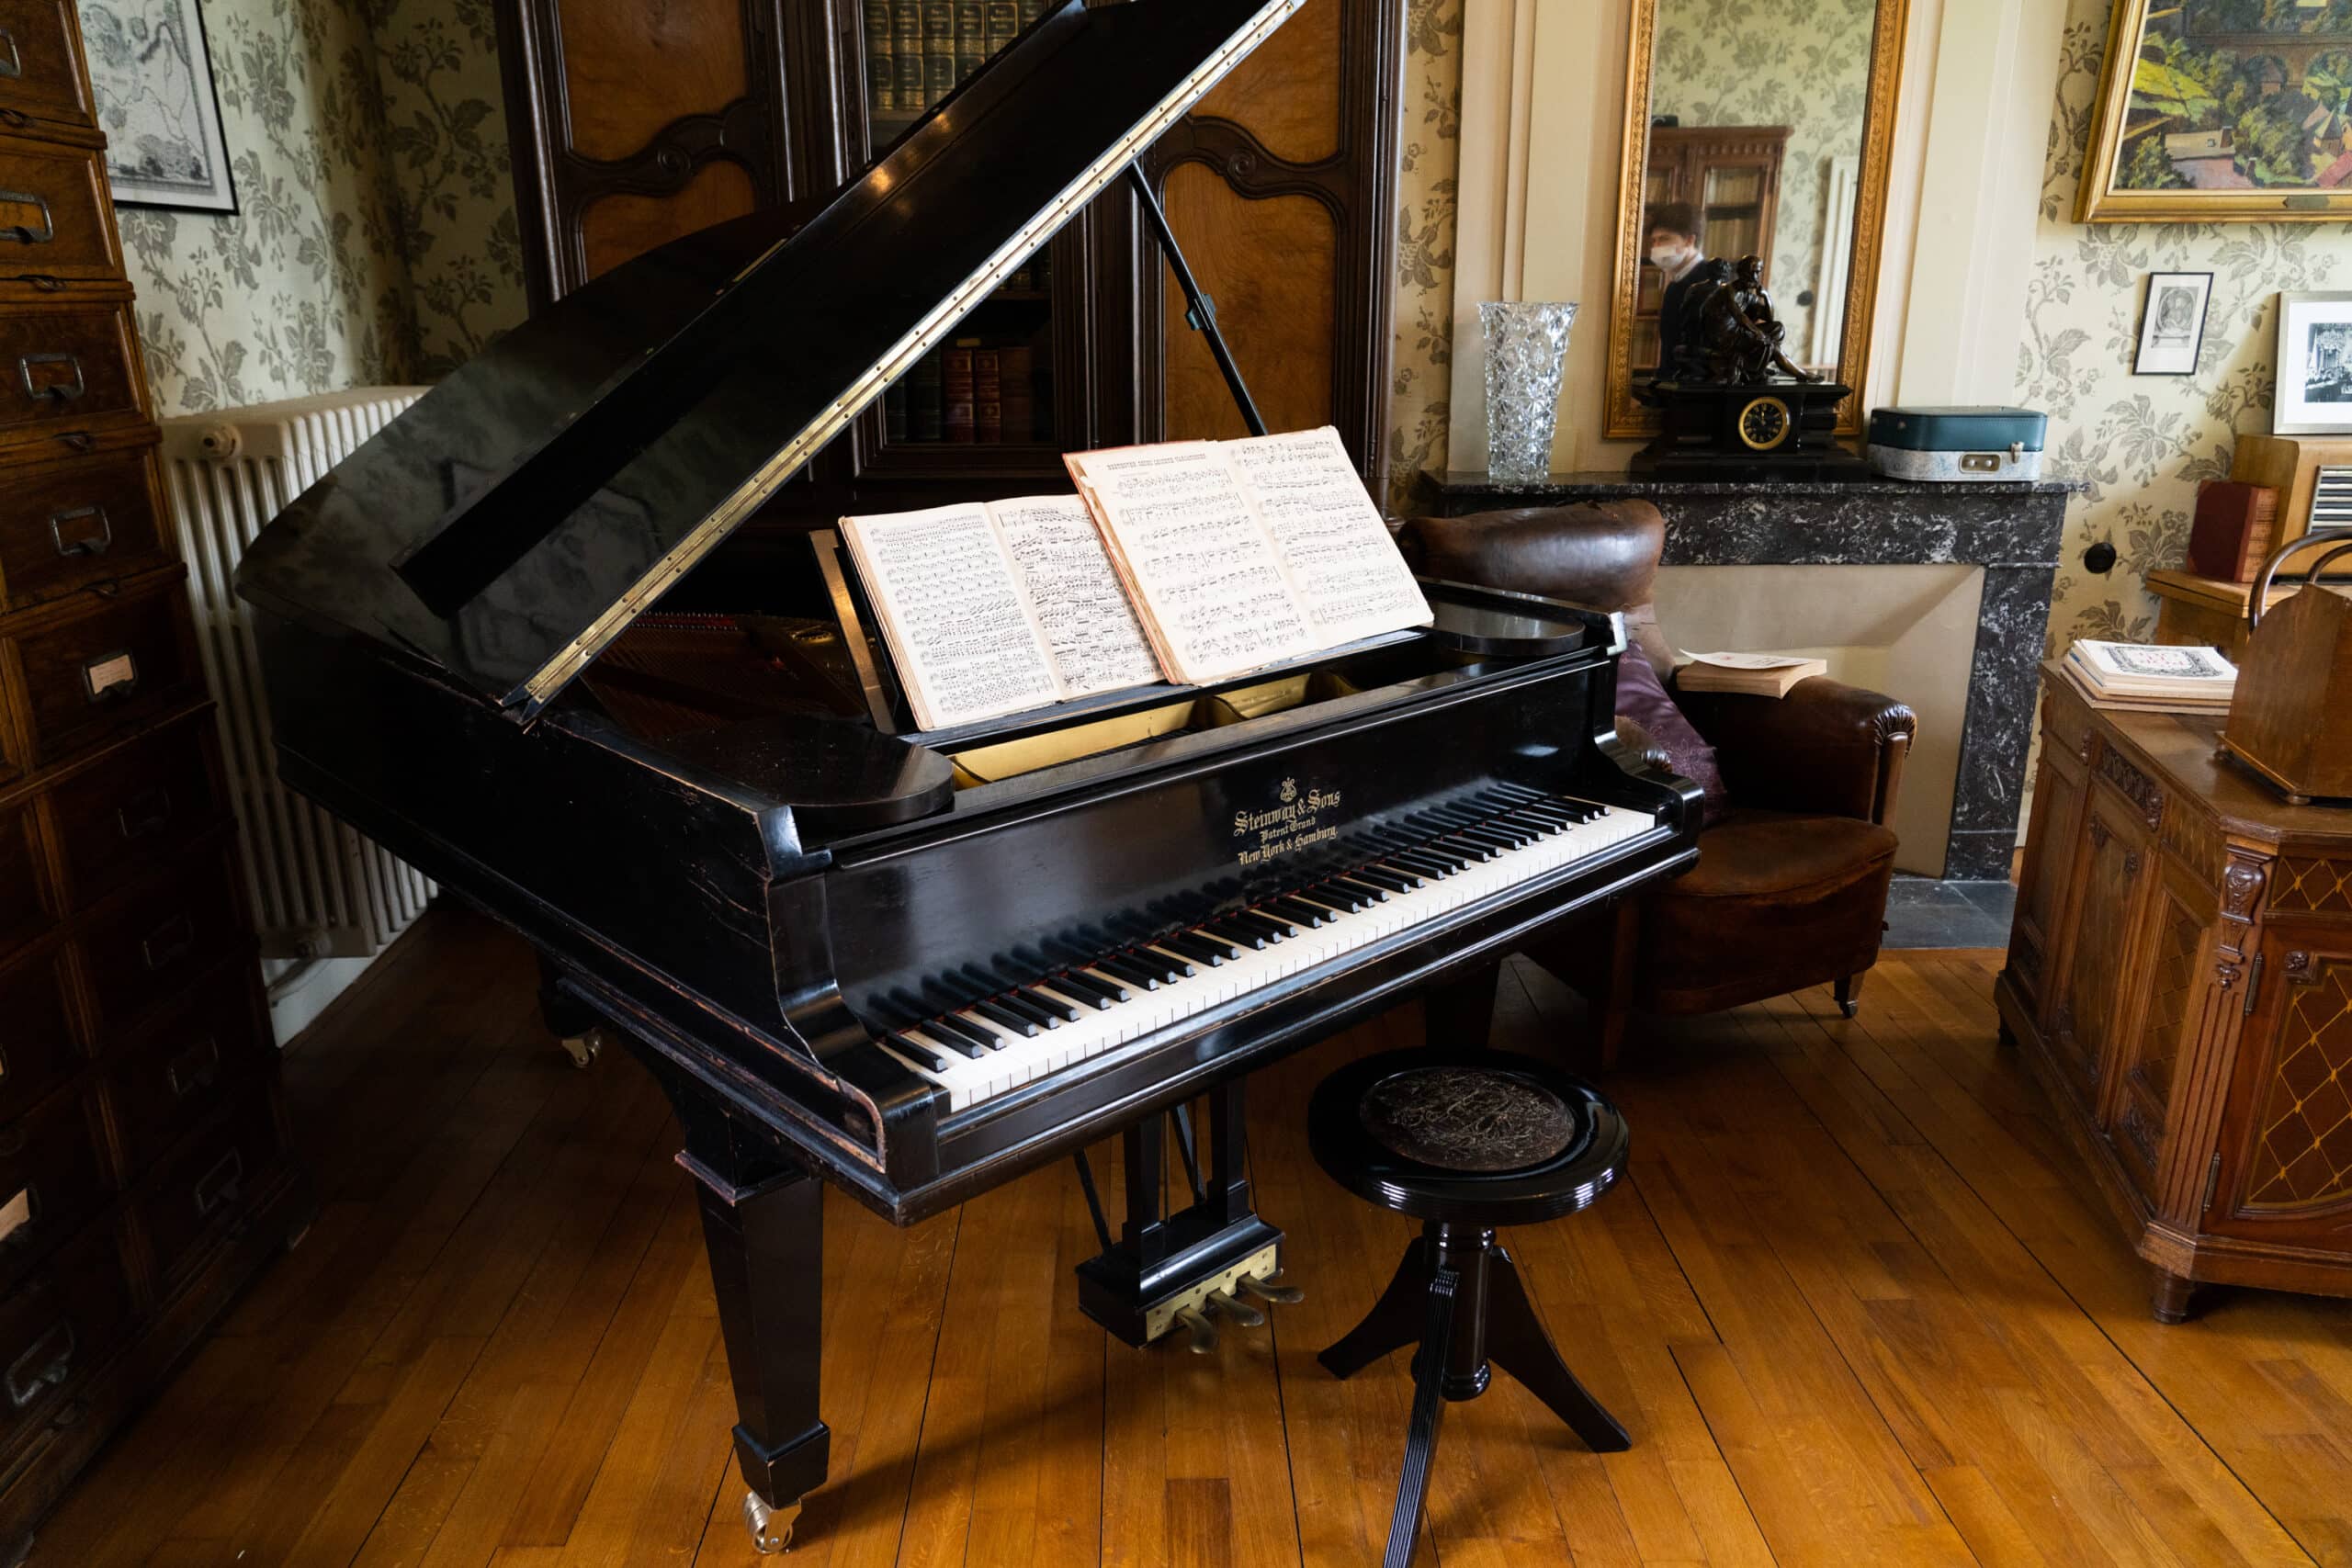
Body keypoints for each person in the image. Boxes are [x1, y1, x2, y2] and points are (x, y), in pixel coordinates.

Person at [1645, 203, 1706, 378]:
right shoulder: (1675, 285)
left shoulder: (1710, 281)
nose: (1656, 247)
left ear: (1689, 240)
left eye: (1664, 239)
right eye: (1654, 241)